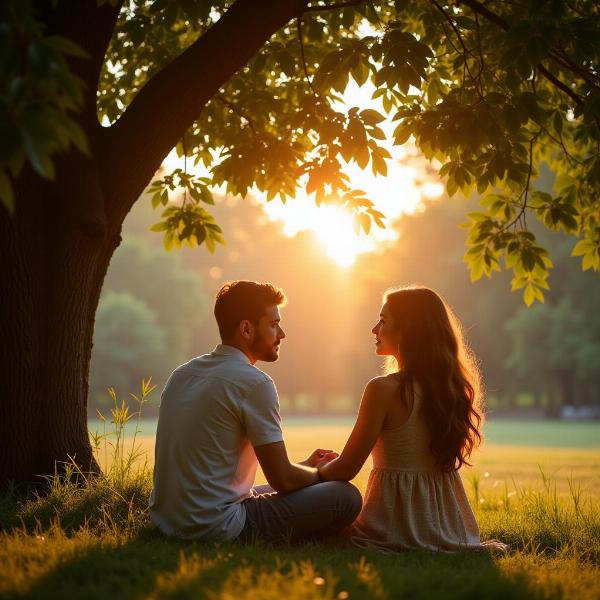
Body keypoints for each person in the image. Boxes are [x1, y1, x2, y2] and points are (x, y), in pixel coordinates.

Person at [149, 280, 362, 543]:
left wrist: (308, 467)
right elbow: (282, 479)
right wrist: (324, 474)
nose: (281, 333)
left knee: (307, 484)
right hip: (216, 526)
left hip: (166, 522)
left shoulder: (182, 374)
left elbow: (276, 474)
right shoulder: (255, 383)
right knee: (345, 496)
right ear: (247, 328)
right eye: (273, 324)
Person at [318, 285, 507, 553]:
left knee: (321, 509)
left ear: (407, 332)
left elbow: (346, 469)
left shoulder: (382, 389)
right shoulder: (451, 389)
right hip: (446, 524)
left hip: (394, 523)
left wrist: (314, 471)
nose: (374, 329)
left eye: (383, 321)